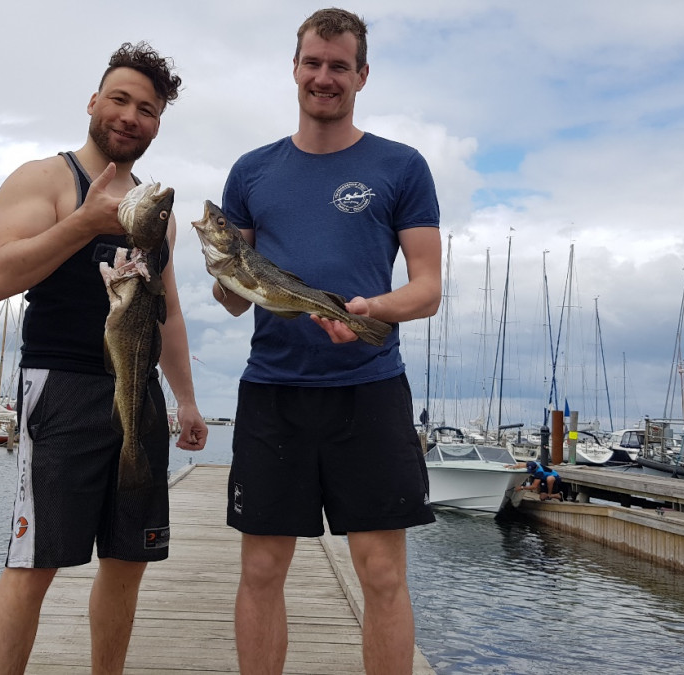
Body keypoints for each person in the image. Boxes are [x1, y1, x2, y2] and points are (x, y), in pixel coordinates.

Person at [211, 9, 442, 675]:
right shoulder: (251, 172)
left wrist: (372, 309)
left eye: (339, 66)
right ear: (294, 68)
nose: (324, 77)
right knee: (261, 568)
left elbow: (427, 289)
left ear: (362, 75)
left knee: (382, 573)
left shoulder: (402, 166)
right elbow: (233, 298)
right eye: (313, 62)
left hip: (369, 388)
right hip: (272, 390)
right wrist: (224, 276)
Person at [0, 41, 207, 675]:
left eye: (146, 109)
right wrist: (82, 223)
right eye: (119, 100)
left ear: (157, 124)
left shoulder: (156, 214)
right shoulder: (44, 179)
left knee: (129, 561)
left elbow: (168, 311)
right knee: (34, 563)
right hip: (61, 387)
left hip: (138, 390)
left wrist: (187, 399)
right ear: (93, 102)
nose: (130, 116)